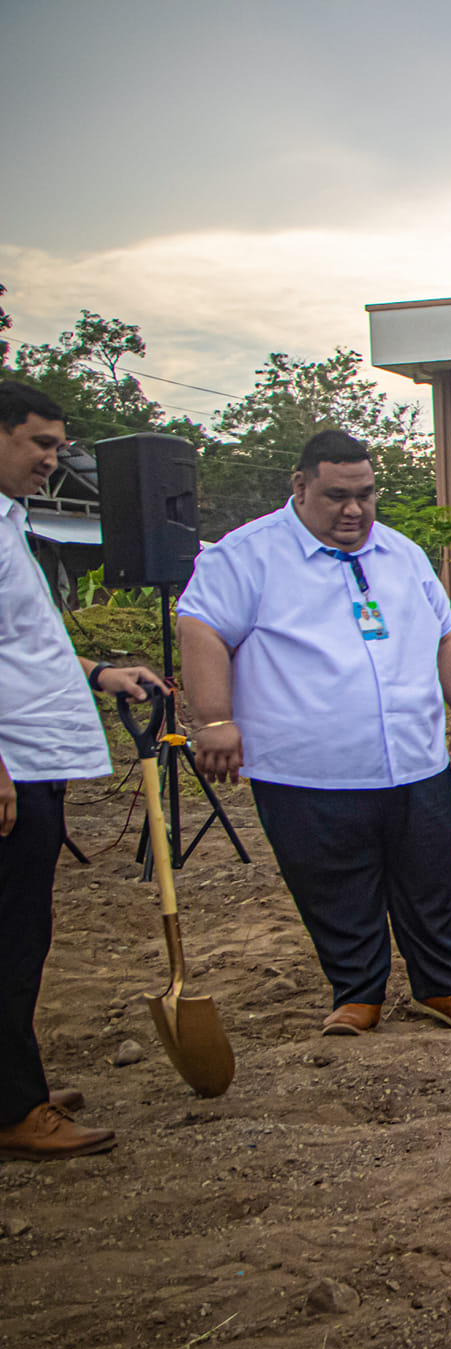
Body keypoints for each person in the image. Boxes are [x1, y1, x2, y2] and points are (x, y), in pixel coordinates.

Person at [180, 429, 451, 1037]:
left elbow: (445, 633)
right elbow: (202, 631)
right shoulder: (245, 555)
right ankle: (357, 993)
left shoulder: (400, 553)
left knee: (430, 878)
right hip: (306, 767)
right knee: (332, 883)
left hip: (413, 759)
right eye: (336, 496)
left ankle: (445, 988)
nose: (354, 510)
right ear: (300, 487)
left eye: (366, 494)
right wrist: (215, 722)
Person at [0, 381, 164, 1160]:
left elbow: (21, 648)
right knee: (9, 936)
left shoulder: (11, 523)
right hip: (10, 765)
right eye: (39, 443)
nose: (52, 460)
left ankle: (14, 1083)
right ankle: (13, 1107)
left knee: (26, 931)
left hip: (35, 757)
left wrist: (97, 671)